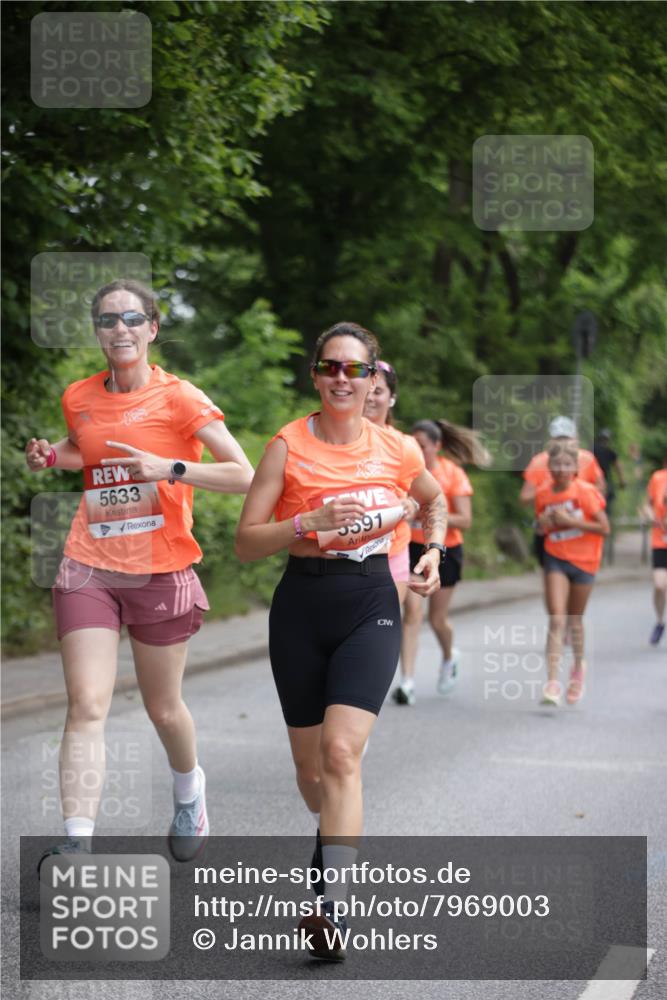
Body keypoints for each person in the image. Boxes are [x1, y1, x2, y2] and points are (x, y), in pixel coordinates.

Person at [26, 279, 254, 870]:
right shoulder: (79, 396)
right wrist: (53, 454)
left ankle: (189, 792)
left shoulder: (181, 399)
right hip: (89, 563)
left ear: (152, 328)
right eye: (107, 320)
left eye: (132, 318)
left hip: (160, 568)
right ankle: (77, 841)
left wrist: (171, 467)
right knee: (87, 704)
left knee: (163, 708)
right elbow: (91, 450)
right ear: (98, 332)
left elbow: (243, 474)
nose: (119, 329)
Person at [235, 322, 446, 959]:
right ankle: (334, 836)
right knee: (312, 776)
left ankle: (333, 906)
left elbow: (432, 501)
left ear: (372, 378)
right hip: (300, 604)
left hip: (369, 604)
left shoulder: (399, 449)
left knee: (342, 754)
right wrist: (305, 521)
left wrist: (433, 550)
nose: (341, 379)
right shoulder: (285, 446)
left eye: (355, 370)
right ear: (316, 375)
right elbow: (246, 542)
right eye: (330, 367)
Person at [397, 419, 487, 704]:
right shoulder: (405, 473)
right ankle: (407, 682)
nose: (418, 450)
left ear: (437, 446)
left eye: (422, 445)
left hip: (446, 550)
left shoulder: (453, 474)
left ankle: (449, 656)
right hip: (411, 547)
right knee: (411, 612)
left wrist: (426, 515)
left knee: (437, 619)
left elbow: (465, 519)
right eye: (414, 444)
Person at [534, 441, 610, 707]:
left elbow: (604, 528)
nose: (561, 469)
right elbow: (541, 527)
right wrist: (542, 525)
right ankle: (552, 683)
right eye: (556, 465)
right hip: (556, 557)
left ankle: (578, 668)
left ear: (576, 468)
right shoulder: (543, 494)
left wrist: (571, 522)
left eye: (567, 465)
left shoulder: (586, 492)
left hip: (586, 562)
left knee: (574, 620)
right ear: (549, 468)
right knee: (557, 618)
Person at [363, 360, 418, 606]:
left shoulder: (403, 444)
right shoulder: (334, 440)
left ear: (392, 398)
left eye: (378, 391)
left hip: (392, 551)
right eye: (366, 390)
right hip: (341, 559)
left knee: (383, 634)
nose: (370, 398)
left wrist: (411, 504)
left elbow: (426, 498)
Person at [520, 416, 605, 568]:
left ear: (575, 439)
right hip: (551, 529)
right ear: (551, 441)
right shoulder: (539, 461)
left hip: (580, 530)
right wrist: (548, 492)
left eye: (567, 439)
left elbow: (600, 487)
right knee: (553, 578)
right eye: (559, 439)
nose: (563, 443)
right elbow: (524, 498)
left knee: (578, 577)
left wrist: (579, 495)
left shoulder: (586, 458)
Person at [644, 456, 667, 645]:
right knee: (659, 585)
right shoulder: (658, 478)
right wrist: (652, 516)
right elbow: (647, 505)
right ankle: (660, 622)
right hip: (661, 540)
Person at [593, 429, 626, 520]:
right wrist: (622, 480)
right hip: (604, 482)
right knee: (606, 505)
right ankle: (605, 521)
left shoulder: (592, 449)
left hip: (592, 481)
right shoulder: (609, 451)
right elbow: (618, 466)